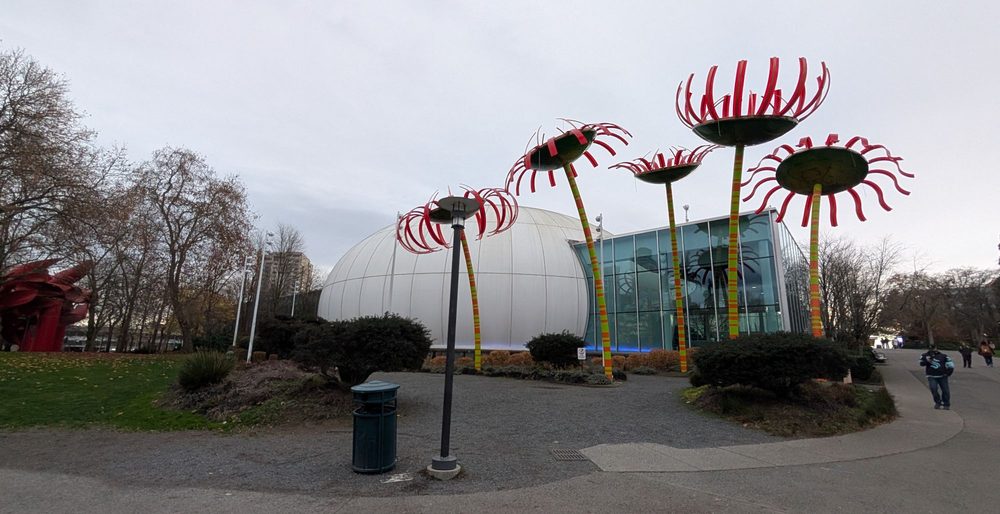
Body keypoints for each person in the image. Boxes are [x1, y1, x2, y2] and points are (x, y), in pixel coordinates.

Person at [919, 344, 955, 410]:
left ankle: (946, 404)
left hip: (942, 375)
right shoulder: (925, 355)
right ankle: (938, 402)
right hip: (931, 375)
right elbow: (921, 363)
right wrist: (927, 361)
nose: (932, 350)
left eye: (933, 348)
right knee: (933, 388)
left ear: (936, 348)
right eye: (930, 349)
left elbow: (951, 365)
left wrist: (948, 373)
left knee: (945, 390)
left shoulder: (943, 356)